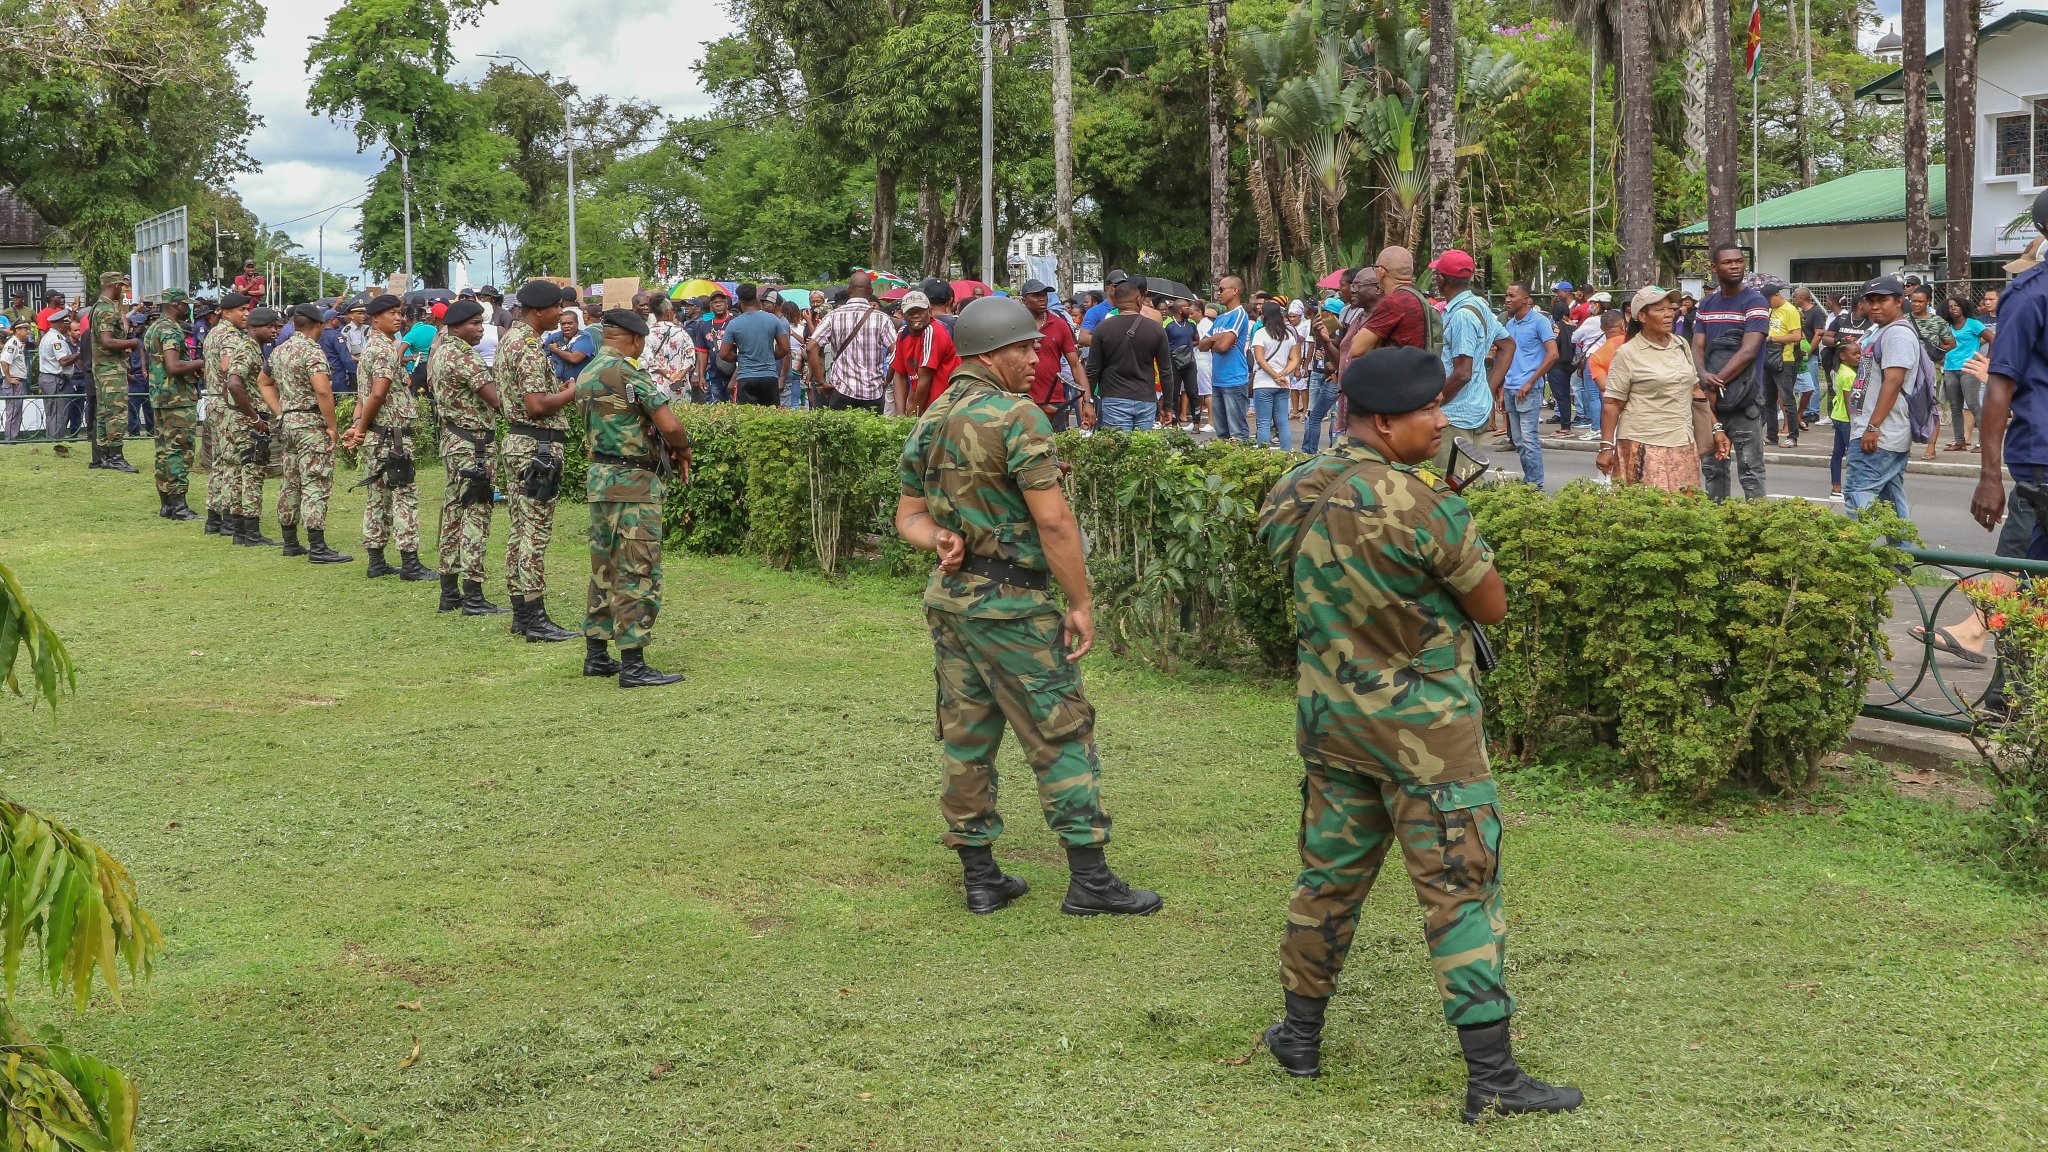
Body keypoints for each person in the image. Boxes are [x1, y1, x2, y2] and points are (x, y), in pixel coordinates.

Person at [1255, 345, 1580, 1123]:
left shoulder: (1297, 487)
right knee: (1460, 889)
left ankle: (1299, 1039)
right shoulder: (1424, 502)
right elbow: (1492, 605)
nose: (1442, 421)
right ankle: (1493, 1079)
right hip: (1427, 734)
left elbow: (1287, 564)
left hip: (1333, 723)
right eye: (1428, 411)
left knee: (1327, 879)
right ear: (1383, 421)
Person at [894, 295, 1161, 918]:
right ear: (992, 352)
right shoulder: (1018, 416)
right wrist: (1081, 601)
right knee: (1060, 730)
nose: (1036, 356)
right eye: (1025, 347)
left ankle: (980, 876)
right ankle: (1090, 879)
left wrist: (938, 538)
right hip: (1013, 605)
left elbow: (909, 515)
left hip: (954, 604)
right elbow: (1055, 523)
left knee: (966, 734)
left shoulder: (931, 416)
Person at [578, 308, 695, 688]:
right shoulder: (628, 372)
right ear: (635, 338)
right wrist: (684, 449)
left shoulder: (588, 372)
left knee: (604, 567)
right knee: (637, 568)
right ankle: (633, 664)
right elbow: (670, 424)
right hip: (633, 483)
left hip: (600, 480)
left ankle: (597, 655)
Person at [494, 281, 583, 641]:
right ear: (540, 311)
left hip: (522, 441)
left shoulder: (510, 341)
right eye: (558, 309)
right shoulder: (529, 347)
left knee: (519, 529)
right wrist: (571, 392)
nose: (561, 315)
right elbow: (535, 404)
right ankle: (535, 617)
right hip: (537, 447)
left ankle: (521, 612)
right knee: (533, 533)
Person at [1971, 187, 2048, 564]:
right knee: (2024, 578)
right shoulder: (2030, 295)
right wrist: (1990, 476)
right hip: (2043, 461)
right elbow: (2000, 385)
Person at [340, 294, 435, 582]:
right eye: (392, 313)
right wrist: (360, 427)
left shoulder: (373, 348)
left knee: (377, 497)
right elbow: (378, 394)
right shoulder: (383, 350)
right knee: (404, 496)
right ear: (375, 318)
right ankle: (410, 562)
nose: (399, 318)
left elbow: (364, 396)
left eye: (400, 313)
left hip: (377, 436)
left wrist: (359, 425)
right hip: (391, 437)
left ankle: (376, 560)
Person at [1596, 286, 1728, 491]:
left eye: (1670, 309)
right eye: (1660, 310)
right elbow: (1612, 404)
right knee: (1649, 511)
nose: (1669, 315)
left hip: (1682, 442)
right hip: (1643, 444)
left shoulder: (1681, 345)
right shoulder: (1628, 353)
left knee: (1684, 510)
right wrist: (1606, 447)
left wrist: (1716, 428)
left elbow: (1695, 391)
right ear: (1642, 316)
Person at [429, 299, 506, 615]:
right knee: (476, 514)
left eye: (481, 323)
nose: (479, 329)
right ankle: (473, 594)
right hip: (474, 445)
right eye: (475, 324)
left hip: (454, 440)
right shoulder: (463, 355)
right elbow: (497, 399)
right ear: (457, 325)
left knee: (453, 514)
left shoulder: (440, 350)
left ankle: (449, 592)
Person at [266, 304, 352, 564]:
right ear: (319, 325)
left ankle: (290, 541)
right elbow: (323, 391)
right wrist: (332, 426)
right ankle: (317, 545)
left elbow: (264, 381)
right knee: (316, 481)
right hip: (311, 422)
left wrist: (280, 411)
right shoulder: (312, 351)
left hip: (289, 421)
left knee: (291, 480)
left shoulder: (280, 350)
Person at [1694, 243, 1770, 500]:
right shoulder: (1706, 304)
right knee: (1712, 470)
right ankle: (1717, 526)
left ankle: (1755, 529)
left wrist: (1715, 383)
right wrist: (1703, 376)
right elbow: (1697, 346)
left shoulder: (1755, 301)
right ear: (1714, 267)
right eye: (1727, 262)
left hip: (1744, 402)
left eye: (1738, 261)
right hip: (1711, 406)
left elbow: (1749, 351)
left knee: (1750, 471)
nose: (1735, 265)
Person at [1844, 275, 1922, 520]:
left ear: (1899, 301)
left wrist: (1872, 426)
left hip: (1880, 434)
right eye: (1871, 300)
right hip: (1882, 432)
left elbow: (1894, 381)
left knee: (1858, 493)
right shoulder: (1880, 330)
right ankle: (1901, 556)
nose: (1875, 306)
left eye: (1883, 300)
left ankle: (1857, 556)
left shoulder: (1897, 334)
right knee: (1890, 500)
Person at [201, 293, 276, 546]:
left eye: (248, 310)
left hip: (217, 400)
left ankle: (218, 517)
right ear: (225, 312)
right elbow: (228, 368)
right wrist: (254, 415)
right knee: (239, 465)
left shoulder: (213, 332)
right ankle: (234, 522)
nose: (246, 314)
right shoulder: (233, 337)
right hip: (231, 404)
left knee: (223, 463)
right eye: (242, 310)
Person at [143, 291, 204, 519]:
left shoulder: (155, 327)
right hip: (176, 398)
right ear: (176, 305)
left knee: (163, 451)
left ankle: (167, 504)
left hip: (160, 396)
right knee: (179, 451)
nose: (188, 309)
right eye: (185, 305)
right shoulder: (170, 328)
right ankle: (179, 506)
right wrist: (200, 362)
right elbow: (173, 366)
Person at [1088, 276, 1172, 433]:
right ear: (1139, 300)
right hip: (1145, 398)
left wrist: (1087, 402)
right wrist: (1167, 405)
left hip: (1114, 397)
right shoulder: (1156, 329)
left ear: (1115, 301)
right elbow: (1166, 371)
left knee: (1119, 451)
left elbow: (1092, 370)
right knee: (1142, 449)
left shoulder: (1102, 329)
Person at [807, 271, 896, 413]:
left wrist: (821, 381)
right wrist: (887, 379)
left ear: (849, 290)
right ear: (871, 291)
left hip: (841, 391)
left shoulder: (833, 316)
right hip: (873, 392)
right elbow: (897, 352)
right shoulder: (882, 318)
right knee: (871, 434)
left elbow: (811, 347)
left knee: (841, 434)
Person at [1499, 282, 1557, 488]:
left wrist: (1531, 381)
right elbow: (1508, 359)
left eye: (1512, 296)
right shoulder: (1510, 324)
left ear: (1525, 299)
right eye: (1506, 295)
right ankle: (1529, 482)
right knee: (1519, 442)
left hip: (1529, 390)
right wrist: (1503, 388)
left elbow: (1553, 355)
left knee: (1529, 441)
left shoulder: (1540, 322)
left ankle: (1535, 485)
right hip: (1511, 389)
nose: (1507, 299)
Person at [87, 272, 140, 472]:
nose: (124, 290)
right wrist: (132, 342)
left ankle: (102, 456)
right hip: (111, 369)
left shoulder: (97, 308)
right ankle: (115, 456)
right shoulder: (106, 310)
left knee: (104, 412)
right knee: (116, 413)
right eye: (123, 286)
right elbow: (107, 341)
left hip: (103, 368)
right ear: (115, 285)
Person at [1021, 279, 1090, 432]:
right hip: (1020, 400)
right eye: (1036, 295)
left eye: (1044, 294)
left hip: (1054, 401)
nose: (1042, 298)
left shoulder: (1059, 325)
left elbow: (1075, 365)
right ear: (1024, 300)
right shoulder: (1014, 325)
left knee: (1053, 450)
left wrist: (1087, 402)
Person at [716, 283, 793, 407]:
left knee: (748, 419)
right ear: (757, 299)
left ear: (740, 301)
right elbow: (785, 348)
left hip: (746, 377)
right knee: (771, 418)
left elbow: (724, 354)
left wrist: (739, 358)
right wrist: (770, 356)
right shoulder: (773, 320)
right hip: (769, 376)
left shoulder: (734, 324)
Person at [1203, 275, 1254, 440]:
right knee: (1222, 433)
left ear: (1235, 291)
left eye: (1222, 289)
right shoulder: (1220, 318)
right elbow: (1202, 345)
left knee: (1237, 433)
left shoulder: (1239, 314)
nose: (1218, 293)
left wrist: (1216, 343)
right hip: (1217, 380)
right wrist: (1214, 339)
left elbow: (1223, 346)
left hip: (1234, 380)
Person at [1248, 300, 1299, 449]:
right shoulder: (1289, 334)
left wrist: (1275, 375)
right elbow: (1295, 358)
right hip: (1283, 384)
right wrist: (1283, 374)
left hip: (1263, 383)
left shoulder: (1260, 333)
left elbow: (1260, 360)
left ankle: (1264, 455)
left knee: (1263, 422)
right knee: (1283, 421)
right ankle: (1287, 454)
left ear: (1264, 315)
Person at [1941, 295, 1988, 452]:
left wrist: (1986, 360)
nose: (1953, 308)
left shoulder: (1973, 324)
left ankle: (1984, 442)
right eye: (1950, 306)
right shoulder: (1947, 326)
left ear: (1963, 307)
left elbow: (1993, 338)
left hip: (1969, 369)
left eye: (1956, 305)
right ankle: (1960, 441)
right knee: (1955, 408)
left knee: (1974, 405)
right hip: (1949, 368)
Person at [1763, 283, 1804, 447]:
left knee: (1787, 399)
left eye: (1768, 300)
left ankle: (1793, 436)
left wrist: (1773, 339)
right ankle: (1771, 435)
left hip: (1784, 359)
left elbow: (1797, 336)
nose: (1767, 303)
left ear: (1777, 295)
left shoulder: (1790, 310)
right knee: (1768, 399)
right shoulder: (1770, 310)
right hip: (1768, 357)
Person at [1826, 334, 1863, 500]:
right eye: (1855, 354)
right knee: (1854, 454)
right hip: (1847, 419)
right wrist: (1855, 422)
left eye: (1859, 353)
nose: (1859, 356)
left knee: (1837, 453)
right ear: (1842, 356)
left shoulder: (1841, 370)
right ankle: (1854, 488)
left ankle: (1836, 488)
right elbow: (1850, 402)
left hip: (1838, 415)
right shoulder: (1849, 375)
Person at [36, 312, 79, 441]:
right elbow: (63, 361)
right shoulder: (56, 339)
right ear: (61, 324)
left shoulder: (48, 336)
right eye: (66, 323)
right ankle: (55, 440)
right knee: (58, 413)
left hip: (49, 378)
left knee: (52, 413)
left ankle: (52, 439)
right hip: (55, 379)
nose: (68, 326)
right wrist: (78, 354)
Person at [644, 297, 696, 402]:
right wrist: (678, 376)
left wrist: (669, 376)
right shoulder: (681, 332)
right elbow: (691, 357)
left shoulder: (647, 333)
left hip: (657, 384)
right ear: (668, 312)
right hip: (680, 385)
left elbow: (649, 359)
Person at [1164, 299, 1199, 427]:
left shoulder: (1191, 323)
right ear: (1180, 310)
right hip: (1173, 362)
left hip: (1189, 362)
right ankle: (1174, 423)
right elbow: (1163, 343)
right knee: (1174, 393)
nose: (1190, 310)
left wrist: (1186, 348)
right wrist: (1175, 351)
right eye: (1187, 308)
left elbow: (1196, 340)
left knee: (1193, 392)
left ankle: (1196, 423)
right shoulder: (1167, 324)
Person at [543, 309, 594, 384]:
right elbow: (541, 354)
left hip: (580, 384)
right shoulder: (555, 337)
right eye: (563, 324)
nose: (566, 326)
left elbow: (574, 358)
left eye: (570, 323)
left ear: (577, 323)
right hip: (559, 384)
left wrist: (556, 350)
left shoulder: (584, 336)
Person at [0, 321, 28, 442]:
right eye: (25, 329)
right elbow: (4, 361)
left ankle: (13, 437)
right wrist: (8, 378)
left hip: (17, 381)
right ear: (17, 330)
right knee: (13, 411)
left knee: (16, 410)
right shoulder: (12, 344)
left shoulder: (17, 343)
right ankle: (10, 438)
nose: (27, 332)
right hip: (13, 382)